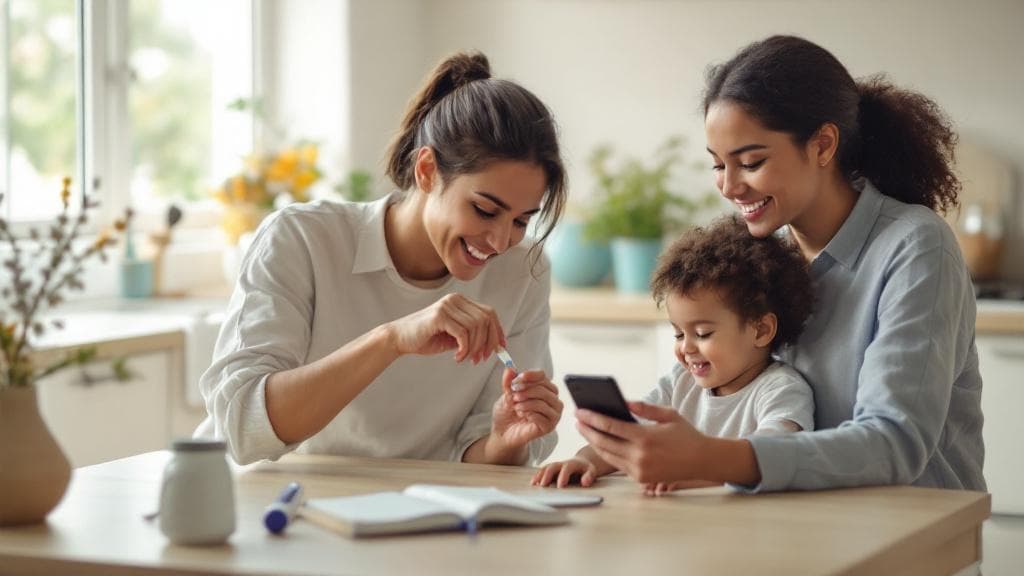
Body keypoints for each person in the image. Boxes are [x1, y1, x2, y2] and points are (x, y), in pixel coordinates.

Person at [572, 35, 984, 493]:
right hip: (799, 524)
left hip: (916, 527)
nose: (729, 187)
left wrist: (712, 458)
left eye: (750, 162)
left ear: (823, 145)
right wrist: (614, 449)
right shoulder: (761, 255)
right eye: (718, 165)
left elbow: (895, 443)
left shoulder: (916, 246)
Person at [195, 51, 568, 467]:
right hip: (276, 495)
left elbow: (479, 458)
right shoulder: (302, 239)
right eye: (484, 210)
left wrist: (503, 440)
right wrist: (390, 340)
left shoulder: (522, 272)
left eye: (521, 220)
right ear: (427, 171)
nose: (500, 241)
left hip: (419, 501)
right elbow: (242, 427)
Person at [533, 216, 815, 494]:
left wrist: (698, 473)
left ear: (761, 330)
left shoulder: (781, 390)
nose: (686, 348)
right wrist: (585, 461)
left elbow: (775, 452)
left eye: (703, 333)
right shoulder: (680, 381)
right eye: (679, 334)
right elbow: (632, 435)